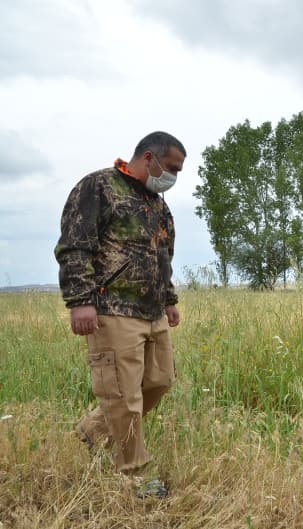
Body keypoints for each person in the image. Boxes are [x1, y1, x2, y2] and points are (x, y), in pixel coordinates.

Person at [54, 131, 186, 496]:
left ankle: (92, 432)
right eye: (172, 167)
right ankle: (134, 476)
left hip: (152, 311)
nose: (173, 176)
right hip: (111, 309)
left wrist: (169, 299)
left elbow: (163, 255)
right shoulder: (99, 187)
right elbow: (75, 247)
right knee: (123, 396)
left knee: (160, 381)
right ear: (149, 158)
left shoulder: (157, 203)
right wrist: (80, 300)